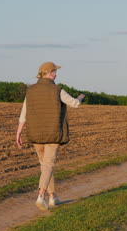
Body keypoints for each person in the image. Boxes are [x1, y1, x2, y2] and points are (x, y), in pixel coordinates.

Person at [16, 61, 85, 211]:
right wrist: (80, 97)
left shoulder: (31, 91)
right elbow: (74, 104)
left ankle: (53, 197)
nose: (56, 74)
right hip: (53, 134)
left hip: (36, 134)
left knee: (45, 167)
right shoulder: (57, 90)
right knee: (48, 165)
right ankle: (41, 196)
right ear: (49, 73)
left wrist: (19, 132)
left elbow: (24, 112)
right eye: (54, 72)